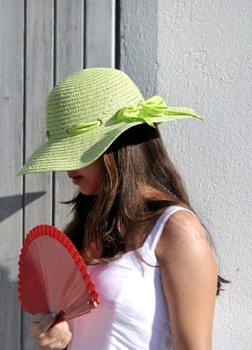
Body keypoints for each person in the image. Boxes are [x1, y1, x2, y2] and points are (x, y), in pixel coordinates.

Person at [18, 68, 225, 349]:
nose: (66, 168)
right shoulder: (86, 226)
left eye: (78, 152)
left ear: (117, 147)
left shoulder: (175, 230)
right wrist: (54, 341)